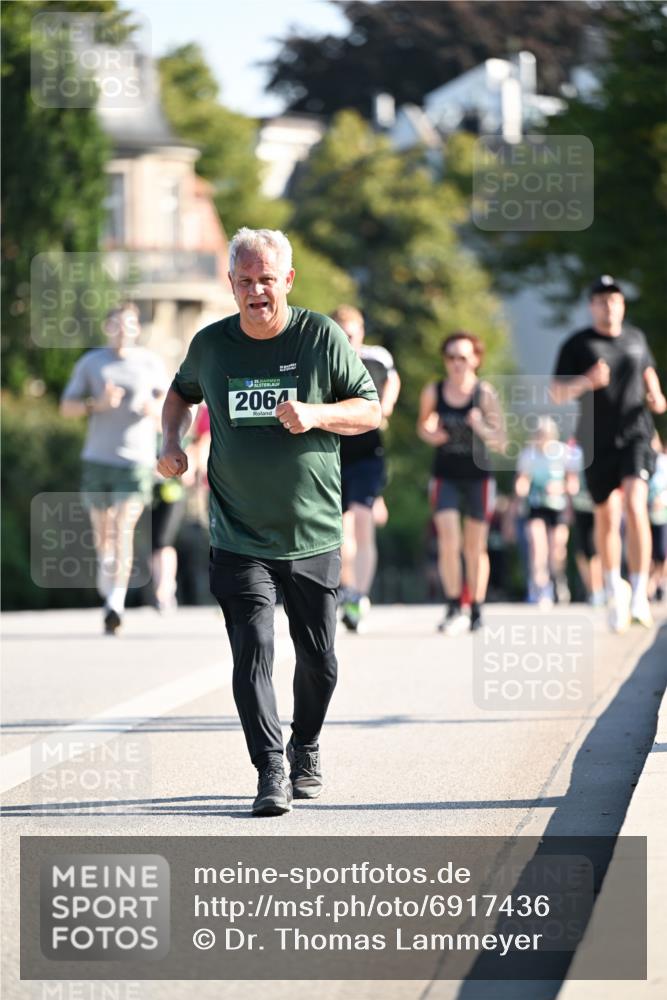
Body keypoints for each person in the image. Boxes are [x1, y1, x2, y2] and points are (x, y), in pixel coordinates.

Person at [158, 228, 381, 817]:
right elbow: (179, 395)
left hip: (312, 532)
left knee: (319, 660)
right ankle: (270, 767)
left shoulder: (321, 336)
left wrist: (316, 413)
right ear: (230, 284)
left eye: (267, 280)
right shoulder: (212, 345)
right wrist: (170, 442)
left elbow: (369, 409)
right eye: (245, 281)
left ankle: (306, 744)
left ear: (288, 280)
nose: (257, 291)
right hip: (239, 534)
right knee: (253, 650)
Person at [551, 274, 666, 631]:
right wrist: (587, 381)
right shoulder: (578, 344)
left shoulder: (635, 338)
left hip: (636, 435)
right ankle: (615, 588)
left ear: (622, 304)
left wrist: (657, 398)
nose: (608, 306)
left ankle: (639, 593)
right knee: (606, 514)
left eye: (614, 299)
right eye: (601, 300)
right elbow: (557, 392)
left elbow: (649, 376)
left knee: (635, 503)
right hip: (596, 440)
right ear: (592, 306)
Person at [60, 303, 167, 634]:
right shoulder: (92, 363)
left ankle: (115, 604)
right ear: (107, 328)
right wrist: (98, 405)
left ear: (137, 329)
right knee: (103, 534)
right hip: (97, 459)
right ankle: (108, 579)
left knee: (123, 527)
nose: (123, 330)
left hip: (136, 461)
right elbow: (67, 407)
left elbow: (172, 406)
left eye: (129, 324)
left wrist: (154, 409)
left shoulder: (150, 363)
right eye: (117, 324)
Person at [417, 332, 505, 634]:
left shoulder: (485, 394)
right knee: (448, 541)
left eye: (463, 357)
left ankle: (477, 610)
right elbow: (423, 426)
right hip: (446, 476)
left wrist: (481, 426)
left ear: (475, 360)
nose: (457, 363)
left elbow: (501, 440)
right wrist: (432, 434)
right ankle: (454, 606)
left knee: (475, 546)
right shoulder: (434, 391)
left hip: (479, 478)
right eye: (451, 357)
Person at [330, 305, 401, 632]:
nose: (347, 340)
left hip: (368, 454)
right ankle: (347, 587)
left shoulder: (377, 358)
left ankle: (359, 594)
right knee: (340, 530)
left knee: (362, 521)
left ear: (360, 332)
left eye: (351, 334)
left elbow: (393, 381)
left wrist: (384, 407)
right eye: (340, 334)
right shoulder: (324, 360)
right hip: (335, 454)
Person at [514, 418, 572, 608]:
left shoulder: (563, 453)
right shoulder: (528, 455)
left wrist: (560, 487)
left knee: (557, 549)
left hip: (558, 505)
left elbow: (572, 482)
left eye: (545, 435)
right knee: (538, 545)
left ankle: (558, 579)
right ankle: (540, 586)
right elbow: (523, 479)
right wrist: (521, 488)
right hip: (536, 505)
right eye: (539, 435)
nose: (542, 439)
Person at [565, 438, 605, 606]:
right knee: (582, 551)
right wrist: (569, 504)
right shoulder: (575, 452)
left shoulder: (601, 447)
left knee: (595, 549)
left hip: (598, 506)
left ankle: (598, 589)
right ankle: (592, 589)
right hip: (580, 507)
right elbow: (571, 479)